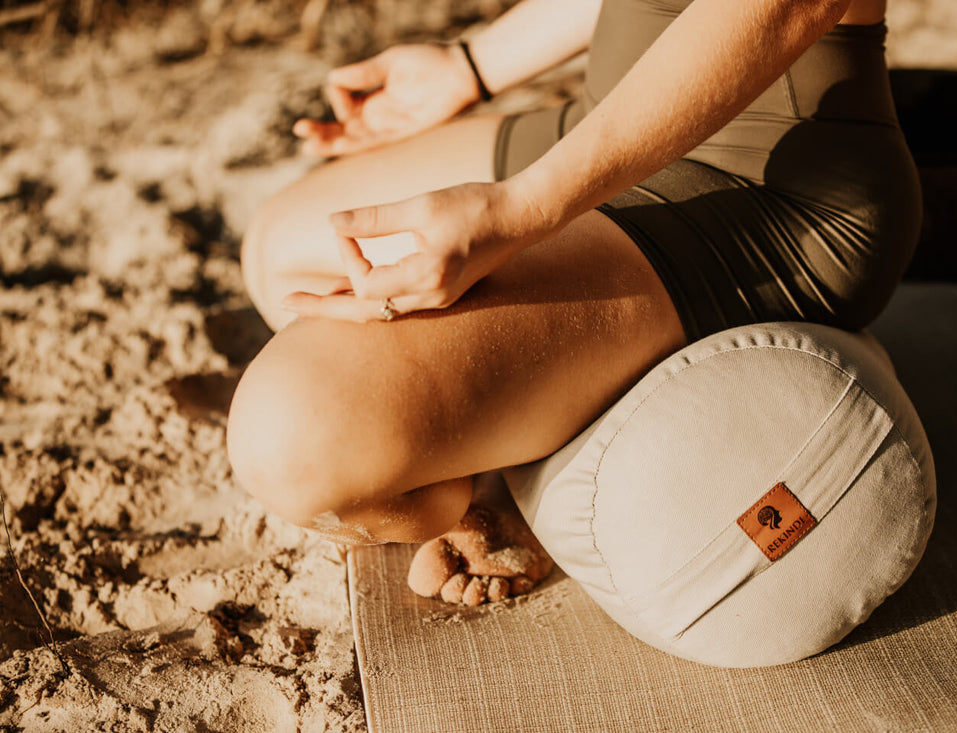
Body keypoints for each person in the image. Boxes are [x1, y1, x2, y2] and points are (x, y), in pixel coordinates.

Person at [226, 0, 921, 606]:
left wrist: (523, 210)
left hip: (760, 181)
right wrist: (471, 64)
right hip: (614, 114)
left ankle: (514, 479)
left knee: (291, 439)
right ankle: (527, 421)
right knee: (281, 248)